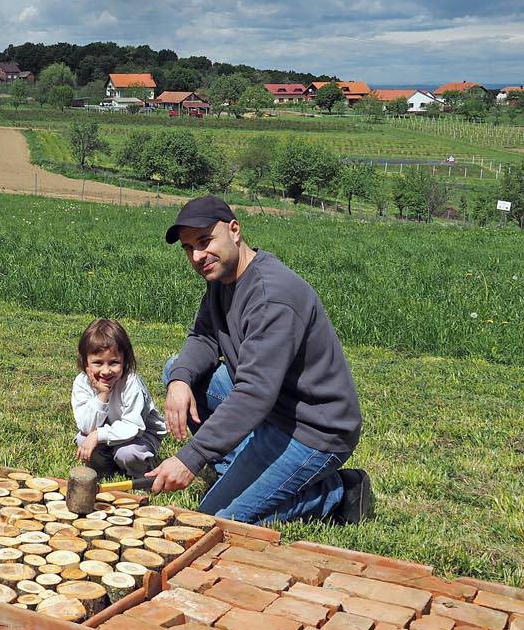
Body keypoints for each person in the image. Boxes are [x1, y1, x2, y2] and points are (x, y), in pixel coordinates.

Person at [144, 195, 373, 525]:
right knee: (179, 370)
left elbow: (253, 395)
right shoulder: (224, 278)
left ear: (234, 230)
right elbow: (204, 336)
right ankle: (236, 469)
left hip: (313, 429)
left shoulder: (272, 296)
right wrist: (179, 380)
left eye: (205, 241)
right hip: (274, 408)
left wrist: (191, 458)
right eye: (188, 248)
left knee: (218, 519)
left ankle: (335, 492)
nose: (197, 256)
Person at [71, 318, 166, 479]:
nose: (106, 371)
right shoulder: (82, 382)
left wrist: (98, 435)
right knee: (83, 439)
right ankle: (105, 468)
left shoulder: (131, 384)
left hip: (140, 435)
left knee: (127, 453)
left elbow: (134, 426)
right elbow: (87, 427)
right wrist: (102, 395)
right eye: (98, 363)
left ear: (125, 361)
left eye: (114, 363)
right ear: (85, 361)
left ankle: (140, 474)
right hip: (108, 431)